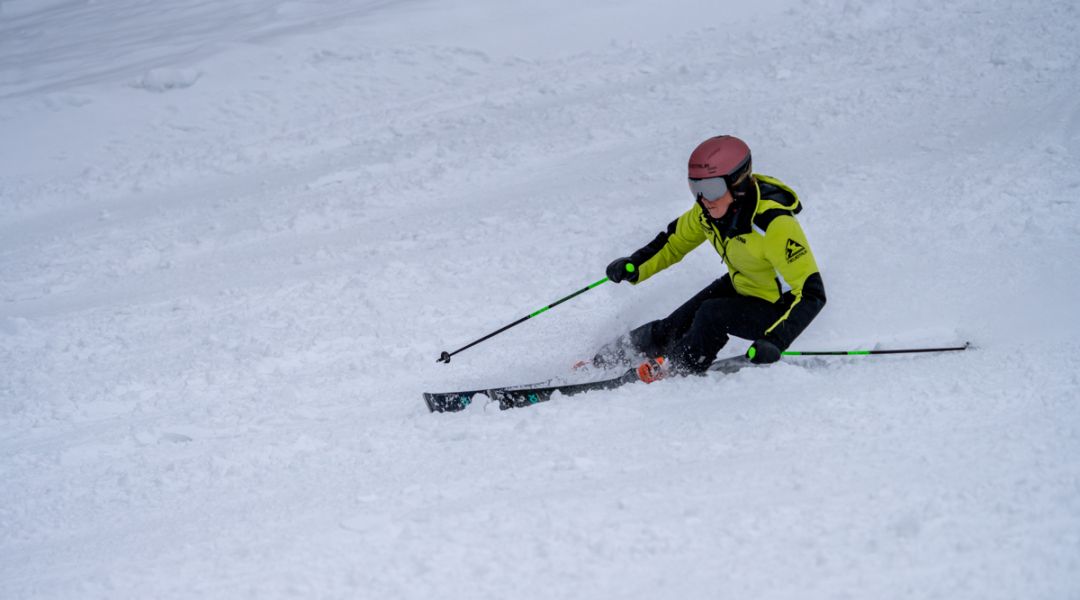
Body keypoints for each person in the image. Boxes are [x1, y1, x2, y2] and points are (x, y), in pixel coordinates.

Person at [598, 135, 827, 382]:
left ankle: (678, 368)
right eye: (696, 188)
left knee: (711, 314)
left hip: (779, 308)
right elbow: (673, 242)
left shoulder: (773, 224)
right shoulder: (707, 212)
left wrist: (775, 340)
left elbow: (811, 293)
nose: (704, 199)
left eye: (712, 188)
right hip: (745, 284)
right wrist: (634, 265)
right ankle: (604, 359)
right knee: (675, 324)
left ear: (738, 183)